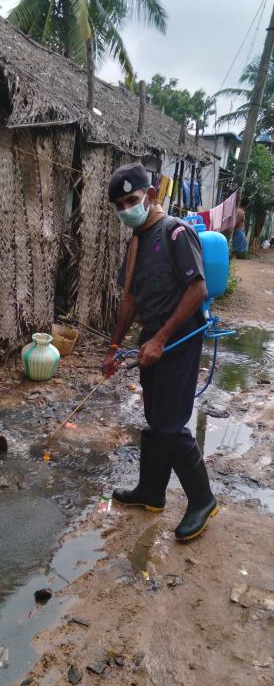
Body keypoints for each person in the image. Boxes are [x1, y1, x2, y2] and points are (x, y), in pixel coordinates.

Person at [102, 162, 219, 541]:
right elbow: (130, 298)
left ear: (151, 195)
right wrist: (116, 345)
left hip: (180, 339)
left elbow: (197, 290)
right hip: (153, 338)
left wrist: (161, 340)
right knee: (156, 417)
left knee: (170, 423)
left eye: (131, 200)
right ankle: (151, 492)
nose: (125, 210)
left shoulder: (175, 233)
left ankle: (202, 500)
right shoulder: (136, 240)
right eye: (119, 205)